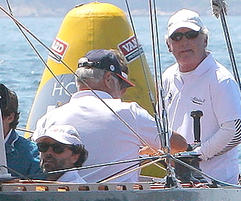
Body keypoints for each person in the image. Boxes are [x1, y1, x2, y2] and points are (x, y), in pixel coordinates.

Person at [33, 48, 166, 183]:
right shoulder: (130, 112)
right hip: (120, 200)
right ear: (108, 79)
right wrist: (150, 151)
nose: (122, 92)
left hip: (63, 198)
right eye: (120, 85)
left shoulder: (48, 118)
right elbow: (177, 144)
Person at [162, 9, 241, 184]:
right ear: (168, 45)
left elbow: (235, 132)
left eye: (191, 35)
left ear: (205, 40)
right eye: (176, 37)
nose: (184, 42)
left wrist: (196, 156)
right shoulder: (167, 77)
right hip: (177, 182)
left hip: (217, 184)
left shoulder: (220, 80)